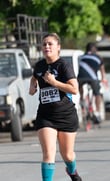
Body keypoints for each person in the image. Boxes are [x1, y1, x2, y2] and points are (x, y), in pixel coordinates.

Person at [28, 33, 82, 181]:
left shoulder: (64, 65)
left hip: (66, 115)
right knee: (48, 153)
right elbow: (35, 76)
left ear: (58, 47)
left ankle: (72, 171)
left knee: (68, 155)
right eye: (44, 44)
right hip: (46, 116)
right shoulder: (39, 65)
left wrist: (54, 82)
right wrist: (32, 85)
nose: (46, 47)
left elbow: (74, 89)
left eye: (50, 44)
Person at [78, 42, 107, 124]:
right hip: (93, 78)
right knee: (97, 93)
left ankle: (82, 100)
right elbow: (102, 70)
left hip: (81, 77)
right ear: (95, 49)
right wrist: (103, 79)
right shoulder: (98, 57)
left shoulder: (82, 57)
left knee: (80, 84)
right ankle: (97, 111)